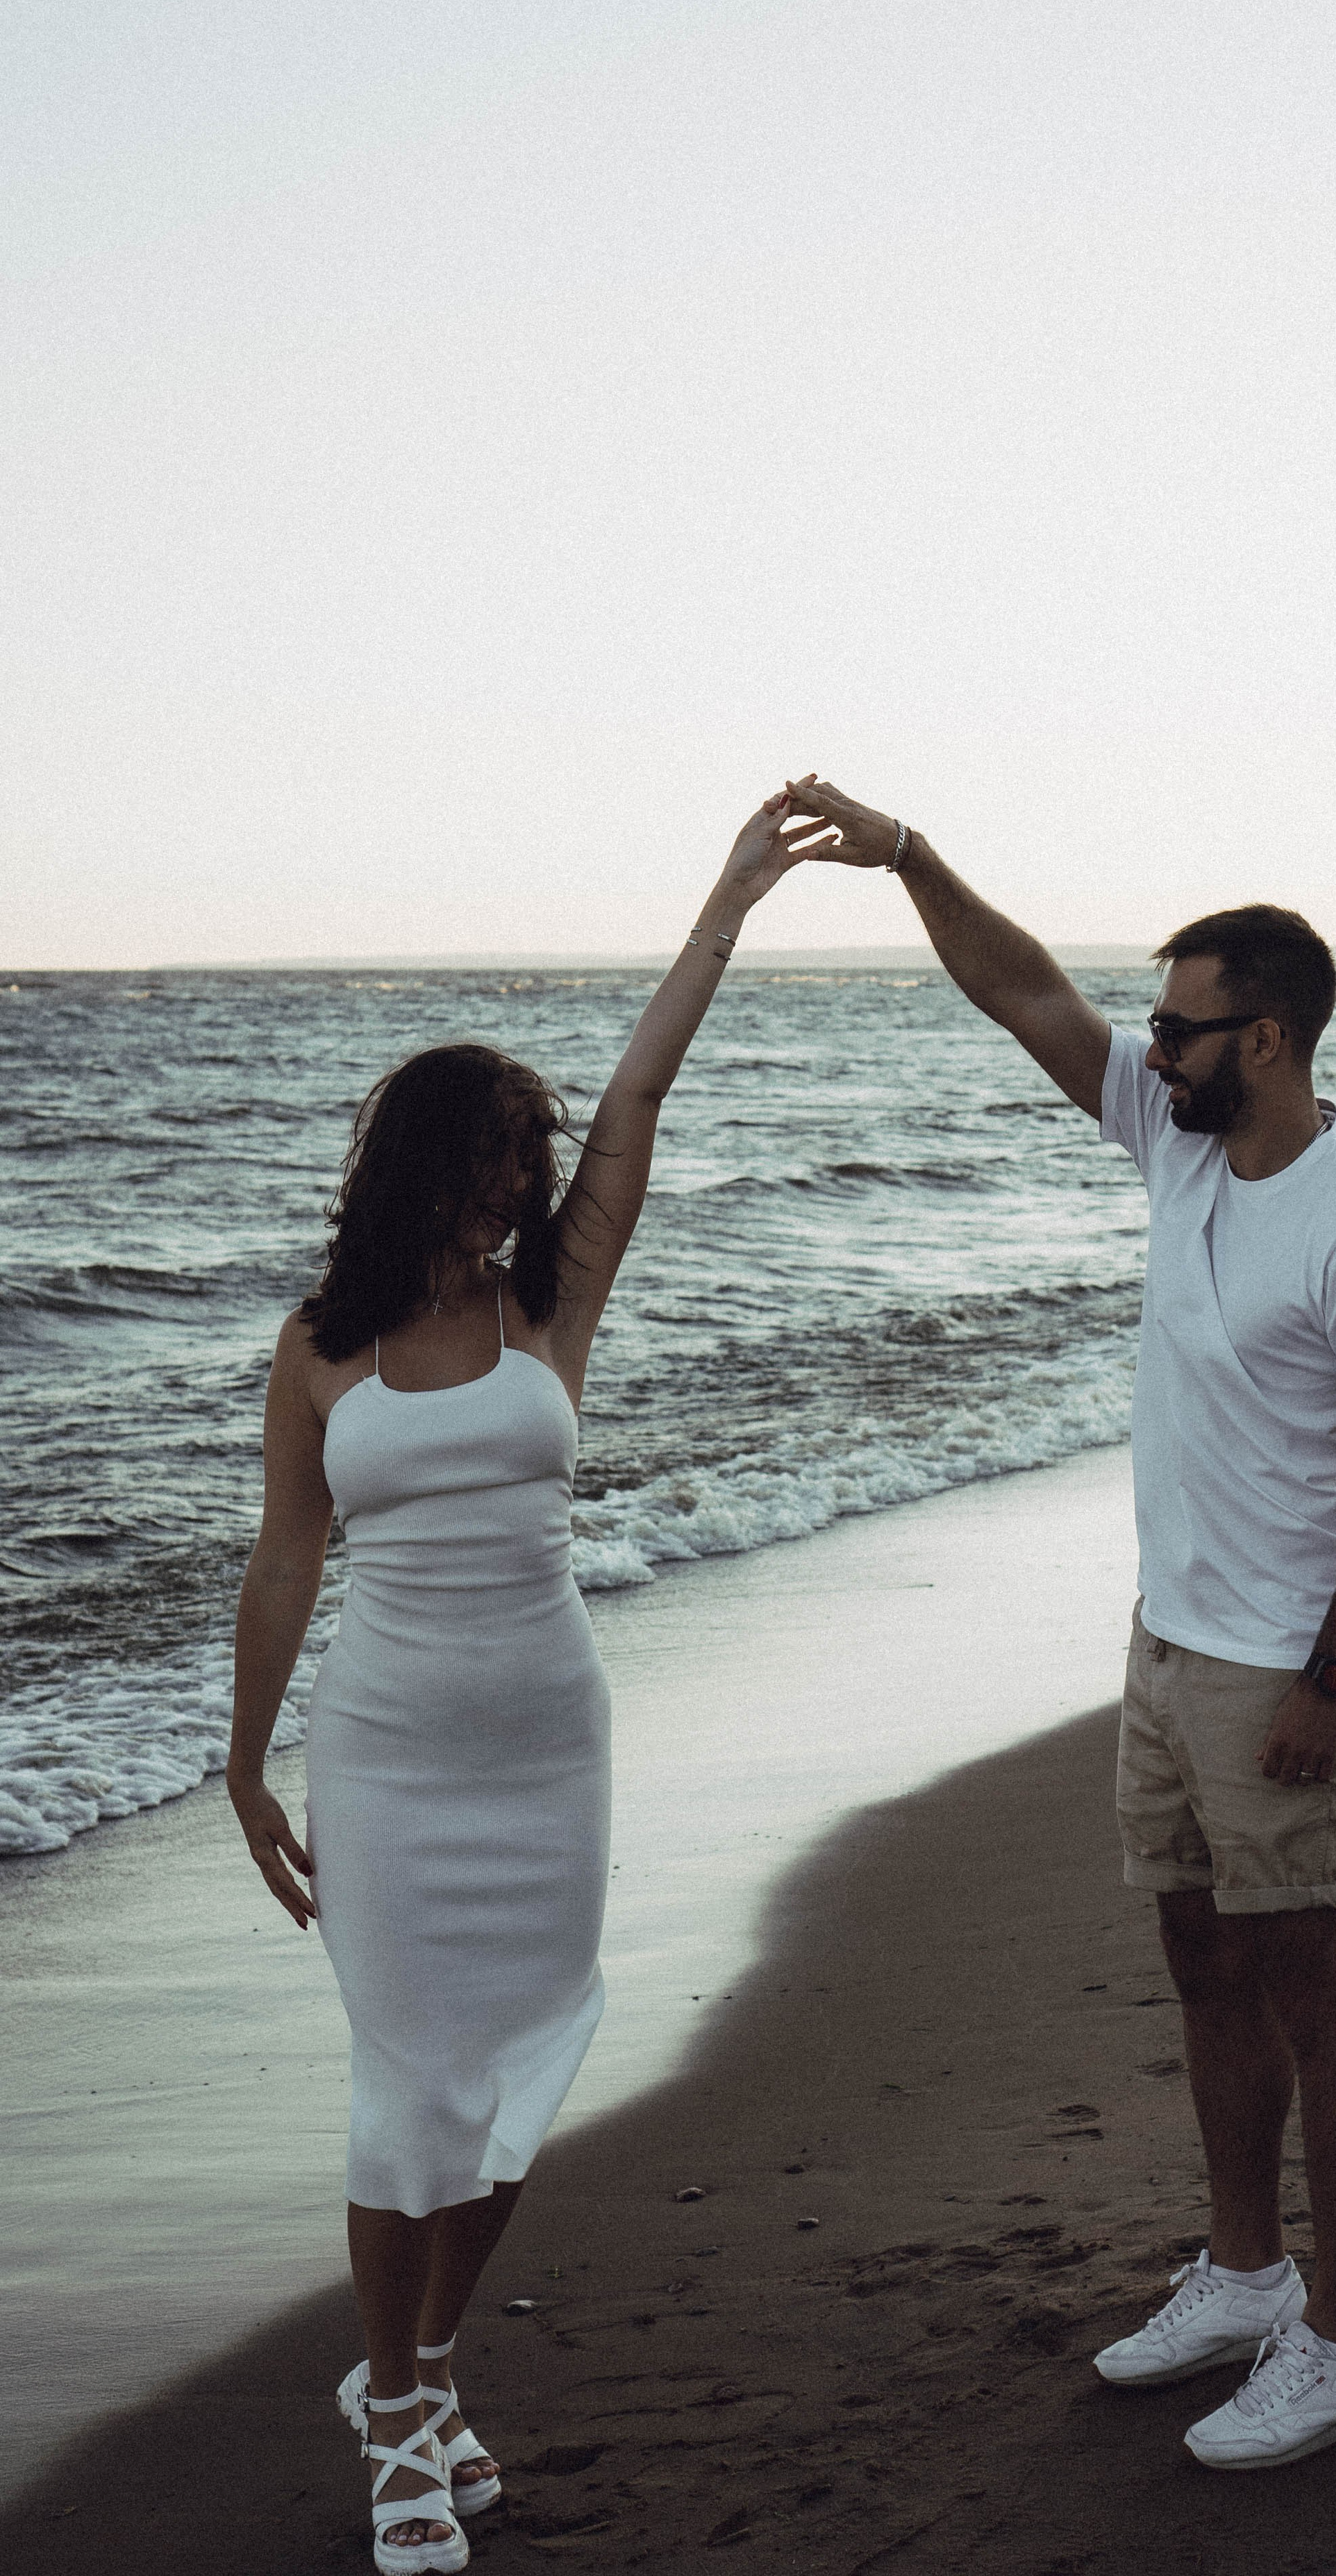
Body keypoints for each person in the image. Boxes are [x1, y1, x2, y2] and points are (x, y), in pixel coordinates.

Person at [780, 778, 1336, 2472]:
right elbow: (1021, 994)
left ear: (1272, 1039)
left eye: (1183, 1026)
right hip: (1167, 1650)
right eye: (1155, 1025)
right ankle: (1241, 2276)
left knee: (1320, 1987)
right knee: (1200, 1961)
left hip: (1287, 1670)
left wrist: (1324, 1679)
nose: (1149, 1049)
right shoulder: (1181, 1142)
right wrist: (911, 858)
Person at [226, 794, 834, 2573]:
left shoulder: (549, 1304)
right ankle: (406, 2429)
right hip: (392, 1755)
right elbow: (287, 1558)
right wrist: (247, 1769)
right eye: (493, 1152)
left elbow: (641, 1099)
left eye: (529, 1151)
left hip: (548, 1739)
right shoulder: (320, 1346)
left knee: (515, 2082)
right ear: (421, 1160)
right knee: (407, 2085)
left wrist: (725, 901)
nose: (521, 1176)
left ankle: (407, 2370)